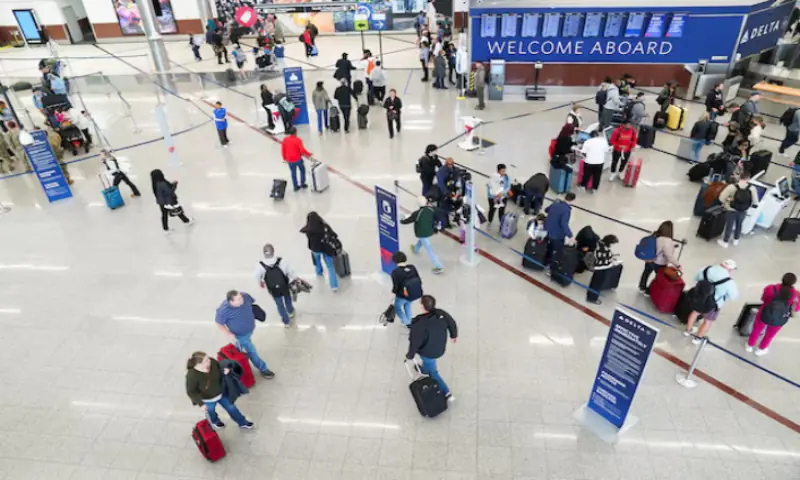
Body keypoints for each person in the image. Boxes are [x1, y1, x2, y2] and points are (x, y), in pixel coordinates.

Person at [405, 294, 458, 402]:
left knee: (433, 372)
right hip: (440, 347)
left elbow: (414, 342)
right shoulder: (441, 314)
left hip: (428, 352)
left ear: (422, 306)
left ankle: (446, 392)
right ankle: (424, 369)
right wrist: (454, 335)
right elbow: (451, 322)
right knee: (428, 363)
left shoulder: (419, 323)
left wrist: (410, 355)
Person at [214, 290, 276, 380]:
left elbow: (251, 303)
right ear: (231, 302)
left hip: (250, 330)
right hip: (240, 336)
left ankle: (239, 355)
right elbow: (219, 323)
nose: (241, 300)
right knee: (252, 351)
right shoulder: (223, 310)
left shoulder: (246, 297)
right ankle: (263, 368)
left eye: (241, 297)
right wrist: (228, 333)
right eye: (238, 299)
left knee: (241, 349)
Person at [185, 352, 255, 429]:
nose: (209, 360)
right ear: (199, 364)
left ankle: (242, 422)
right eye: (206, 360)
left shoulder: (212, 363)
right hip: (207, 399)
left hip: (221, 393)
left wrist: (226, 371)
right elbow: (191, 391)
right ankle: (215, 421)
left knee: (232, 408)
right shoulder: (192, 376)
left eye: (208, 358)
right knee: (211, 412)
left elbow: (219, 368)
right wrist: (201, 404)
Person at [684, 260, 738, 344]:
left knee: (694, 313)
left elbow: (696, 278)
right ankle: (697, 338)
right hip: (714, 304)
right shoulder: (729, 282)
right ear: (730, 270)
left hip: (699, 297)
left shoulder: (706, 269)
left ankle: (688, 330)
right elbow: (733, 296)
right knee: (707, 321)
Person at [746, 273, 799, 356]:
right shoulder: (796, 295)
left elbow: (763, 298)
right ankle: (761, 349)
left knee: (757, 329)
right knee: (770, 334)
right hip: (780, 317)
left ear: (782, 279)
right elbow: (796, 308)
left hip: (764, 313)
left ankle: (750, 345)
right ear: (793, 283)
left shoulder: (770, 288)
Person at [255, 244, 297, 327]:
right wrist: (295, 279)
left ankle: (286, 322)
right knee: (287, 299)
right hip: (284, 285)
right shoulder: (282, 261)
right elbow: (290, 271)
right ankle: (291, 312)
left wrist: (260, 282)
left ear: (264, 253)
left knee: (279, 304)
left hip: (273, 288)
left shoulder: (260, 265)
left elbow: (257, 276)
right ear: (273, 252)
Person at [401, 196, 444, 274]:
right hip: (430, 231)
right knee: (423, 240)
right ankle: (416, 249)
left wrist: (401, 220)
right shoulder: (431, 210)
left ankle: (439, 266)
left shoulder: (417, 213)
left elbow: (407, 221)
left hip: (421, 232)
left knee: (429, 249)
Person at [717, 169, 758, 248]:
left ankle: (725, 242)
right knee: (739, 225)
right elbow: (755, 202)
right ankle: (736, 240)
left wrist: (728, 201)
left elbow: (721, 198)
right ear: (748, 178)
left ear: (739, 177)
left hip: (731, 209)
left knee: (729, 225)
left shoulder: (731, 187)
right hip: (743, 210)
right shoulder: (752, 188)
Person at [299, 212, 339, 292]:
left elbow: (302, 230)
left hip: (315, 249)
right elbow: (334, 235)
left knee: (317, 261)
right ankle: (334, 285)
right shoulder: (324, 227)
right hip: (326, 249)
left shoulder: (309, 229)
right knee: (330, 267)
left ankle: (319, 272)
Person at [638, 220, 680, 294]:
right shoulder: (667, 241)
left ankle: (642, 286)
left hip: (649, 259)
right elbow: (669, 256)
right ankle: (648, 291)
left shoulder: (654, 235)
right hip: (659, 263)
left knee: (646, 273)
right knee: (659, 277)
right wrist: (677, 264)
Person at [586, 235, 620, 305]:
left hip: (597, 268)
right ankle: (592, 298)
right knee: (597, 284)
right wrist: (613, 263)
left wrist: (611, 256)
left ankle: (590, 295)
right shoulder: (604, 249)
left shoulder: (600, 244)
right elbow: (605, 261)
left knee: (594, 282)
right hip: (601, 268)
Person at [391, 251, 423, 327]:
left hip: (402, 295)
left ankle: (407, 322)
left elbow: (396, 287)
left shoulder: (395, 272)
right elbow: (419, 279)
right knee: (407, 305)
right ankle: (409, 319)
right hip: (413, 293)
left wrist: (392, 297)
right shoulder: (412, 267)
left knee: (397, 307)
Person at [544, 192, 575, 265]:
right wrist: (570, 235)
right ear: (572, 201)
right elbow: (563, 223)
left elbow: (546, 210)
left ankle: (545, 261)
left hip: (547, 230)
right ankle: (552, 265)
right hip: (557, 234)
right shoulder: (566, 210)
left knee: (548, 247)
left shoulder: (556, 203)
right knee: (557, 250)